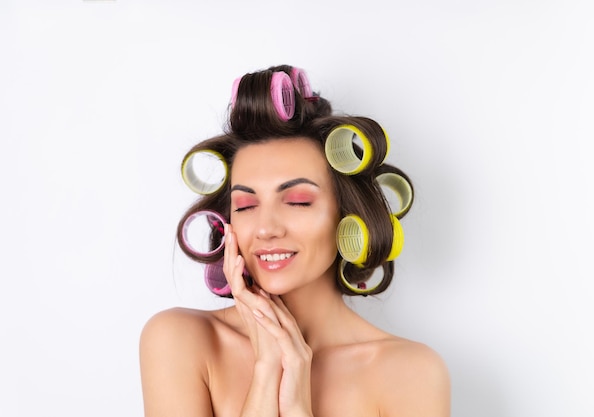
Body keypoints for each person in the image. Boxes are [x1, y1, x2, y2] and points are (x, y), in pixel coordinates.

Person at [139, 64, 450, 417]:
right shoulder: (180, 340)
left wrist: (298, 404)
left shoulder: (409, 372)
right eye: (246, 204)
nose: (265, 228)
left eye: (298, 201)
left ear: (347, 216)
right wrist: (267, 369)